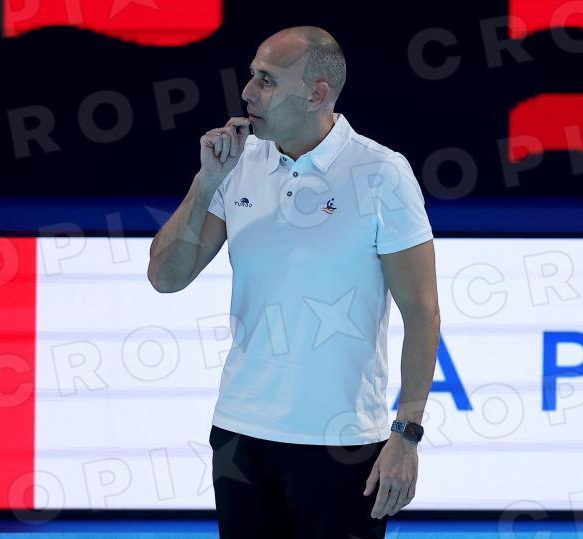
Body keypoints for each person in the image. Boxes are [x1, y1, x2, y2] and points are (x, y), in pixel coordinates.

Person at [148, 25, 440, 539]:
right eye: (251, 76)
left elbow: (422, 312)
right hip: (240, 436)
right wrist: (206, 181)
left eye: (266, 80)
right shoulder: (237, 165)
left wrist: (406, 435)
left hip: (343, 442)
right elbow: (165, 278)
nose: (247, 92)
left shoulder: (381, 173)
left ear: (316, 94)